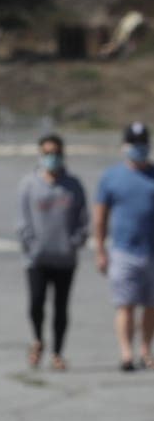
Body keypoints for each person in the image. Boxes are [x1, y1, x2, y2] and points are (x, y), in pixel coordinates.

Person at [17, 133, 89, 370]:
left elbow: (83, 219)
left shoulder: (73, 185)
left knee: (61, 308)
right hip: (37, 259)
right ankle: (38, 340)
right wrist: (31, 245)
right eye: (47, 153)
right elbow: (22, 221)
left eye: (56, 153)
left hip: (65, 258)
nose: (52, 158)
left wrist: (74, 241)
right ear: (40, 154)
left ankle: (58, 352)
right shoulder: (29, 184)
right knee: (36, 303)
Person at [94, 122, 154, 371]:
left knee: (150, 305)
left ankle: (146, 350)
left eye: (142, 144)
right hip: (123, 251)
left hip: (152, 251)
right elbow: (100, 217)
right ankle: (126, 353)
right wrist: (100, 249)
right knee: (125, 304)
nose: (138, 149)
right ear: (124, 146)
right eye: (134, 144)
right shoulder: (111, 177)